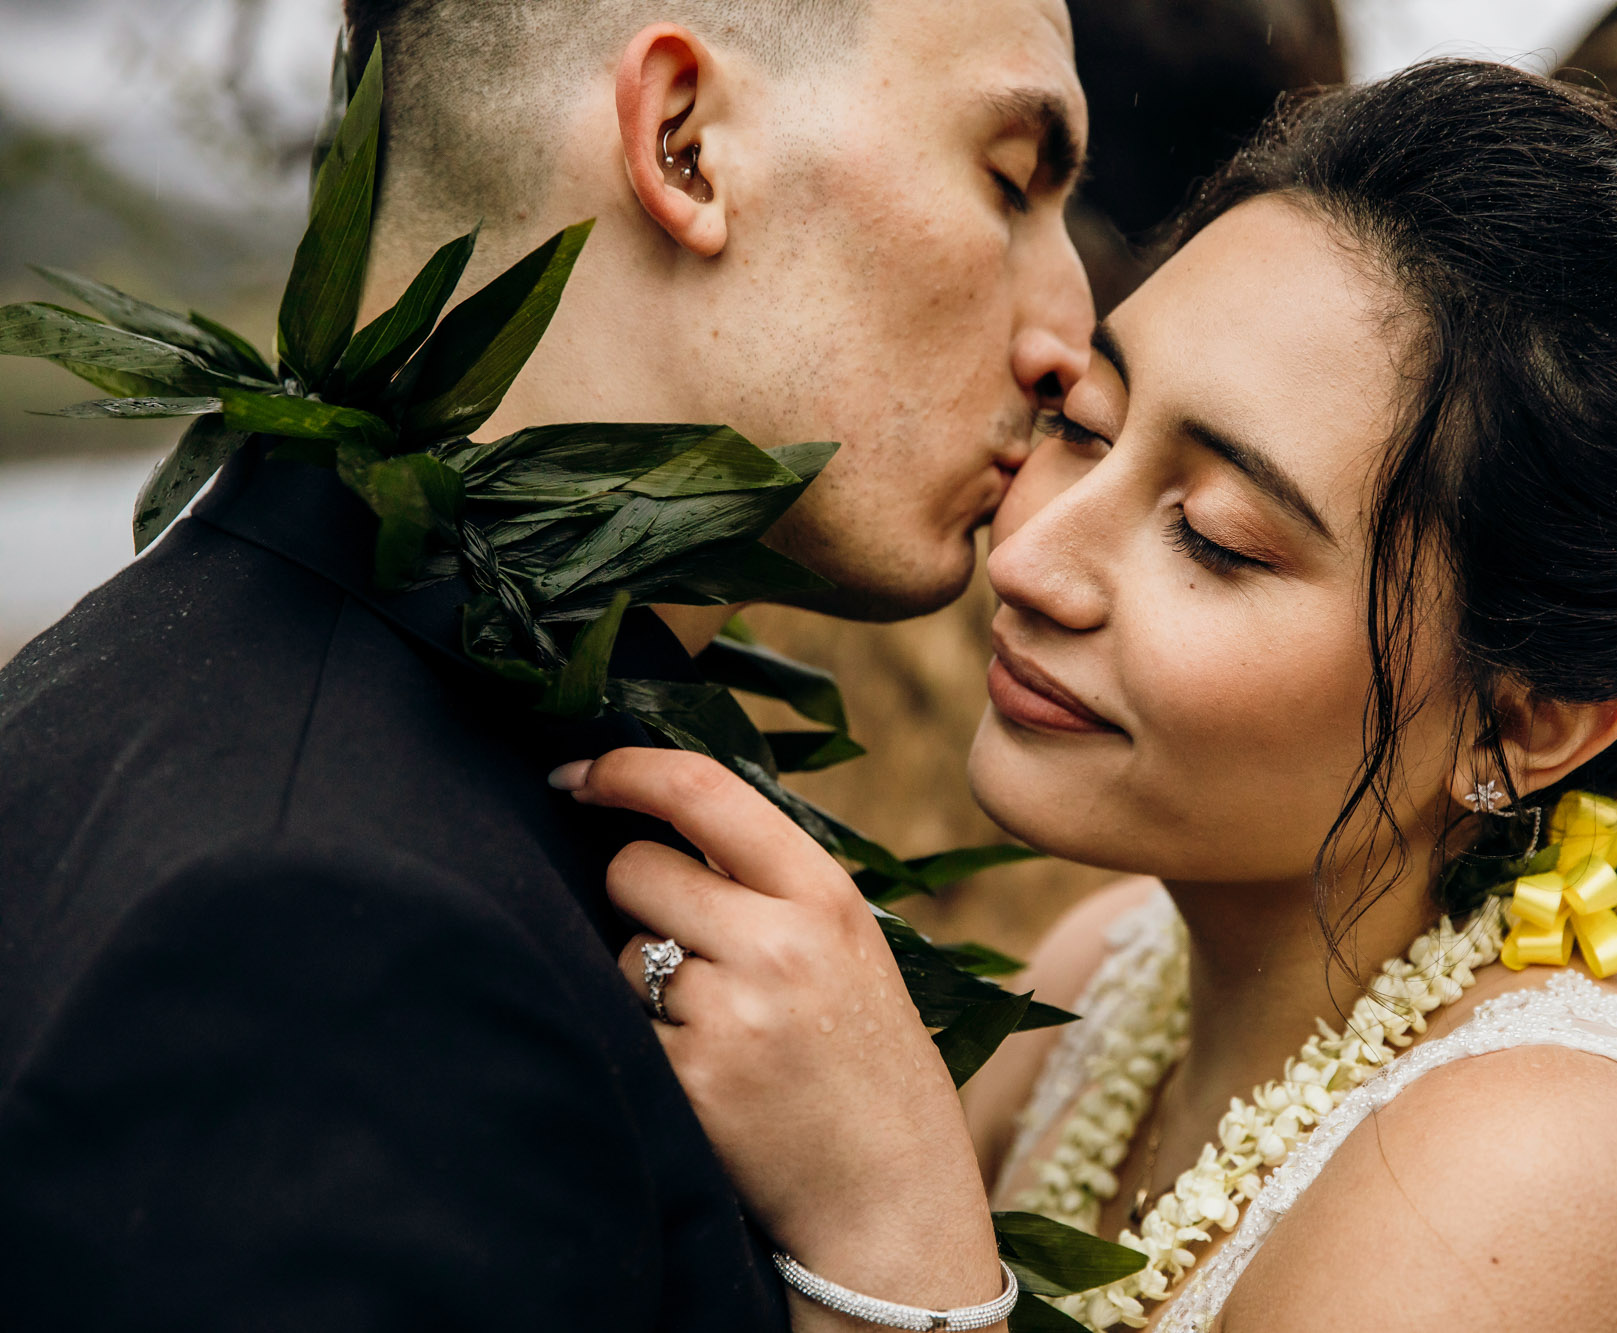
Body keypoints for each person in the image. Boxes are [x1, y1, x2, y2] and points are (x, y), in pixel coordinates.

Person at [566, 61, 1617, 1331]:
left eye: (1217, 537)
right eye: (1084, 425)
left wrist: (894, 1245)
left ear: (1526, 723)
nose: (1036, 554)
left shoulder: (1550, 1172)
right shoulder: (1106, 972)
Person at [0, 1, 1089, 1328]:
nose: (1067, 339)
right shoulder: (326, 939)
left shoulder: (180, 703)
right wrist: (904, 1276)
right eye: (1011, 182)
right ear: (685, 143)